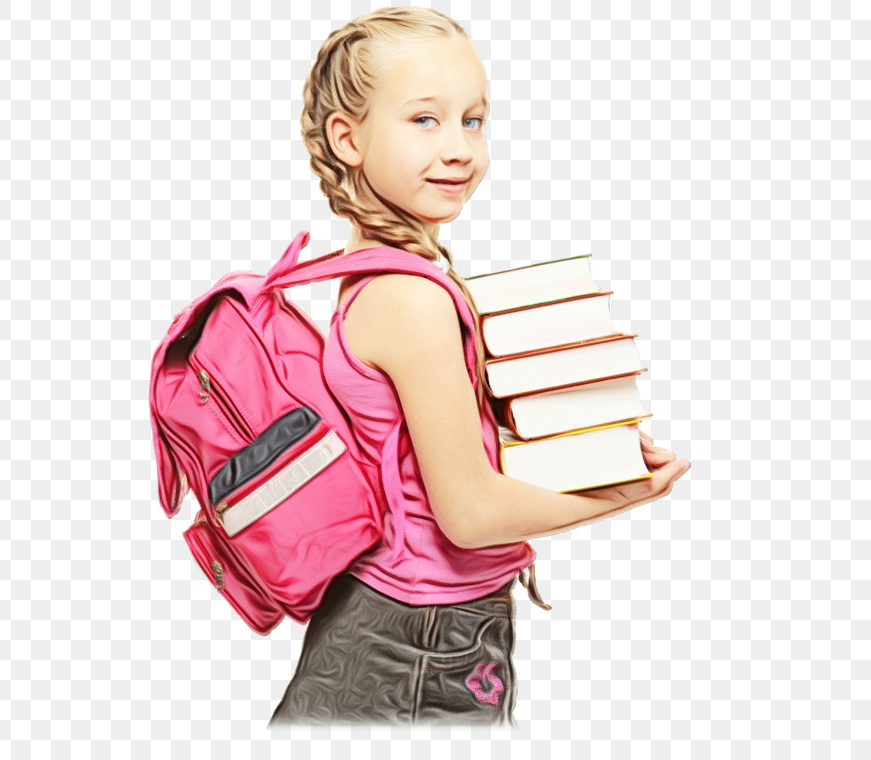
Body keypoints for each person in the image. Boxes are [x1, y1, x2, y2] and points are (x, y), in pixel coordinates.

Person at [269, 6, 690, 726]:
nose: (459, 148)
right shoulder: (410, 298)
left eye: (474, 120)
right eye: (424, 121)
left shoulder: (377, 273)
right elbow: (469, 515)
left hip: (394, 627)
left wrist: (593, 455)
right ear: (349, 138)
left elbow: (436, 465)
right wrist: (631, 492)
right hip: (419, 641)